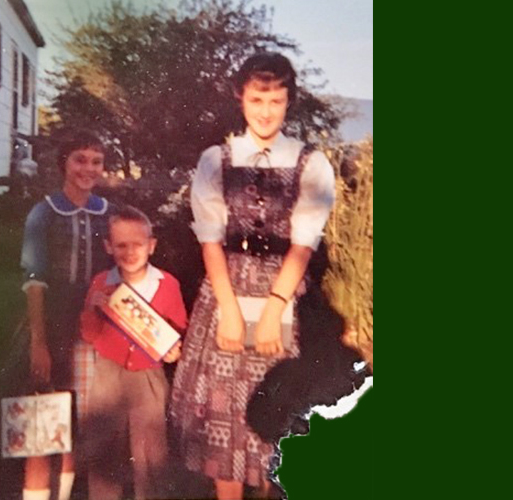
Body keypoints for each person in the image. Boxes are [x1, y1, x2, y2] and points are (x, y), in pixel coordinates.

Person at [169, 53, 336, 500]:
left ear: (289, 102)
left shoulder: (309, 163)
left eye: (276, 100)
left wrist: (274, 309)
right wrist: (227, 309)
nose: (265, 110)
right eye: (257, 98)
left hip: (282, 292)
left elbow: (303, 245)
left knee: (274, 416)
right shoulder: (216, 161)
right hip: (226, 290)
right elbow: (210, 240)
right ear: (241, 96)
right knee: (224, 420)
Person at [19, 131, 113, 500]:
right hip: (53, 326)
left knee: (77, 421)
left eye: (96, 161)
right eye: (79, 159)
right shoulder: (43, 213)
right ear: (63, 163)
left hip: (93, 328)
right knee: (42, 425)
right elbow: (34, 281)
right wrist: (38, 342)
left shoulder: (107, 213)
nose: (87, 168)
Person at [79, 206, 187, 500]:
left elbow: (175, 330)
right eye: (121, 245)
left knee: (151, 452)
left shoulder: (167, 284)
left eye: (137, 244)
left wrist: (173, 352)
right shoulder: (102, 282)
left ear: (151, 246)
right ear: (109, 247)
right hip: (108, 373)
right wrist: (94, 307)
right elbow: (88, 333)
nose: (129, 252)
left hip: (148, 375)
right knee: (105, 449)